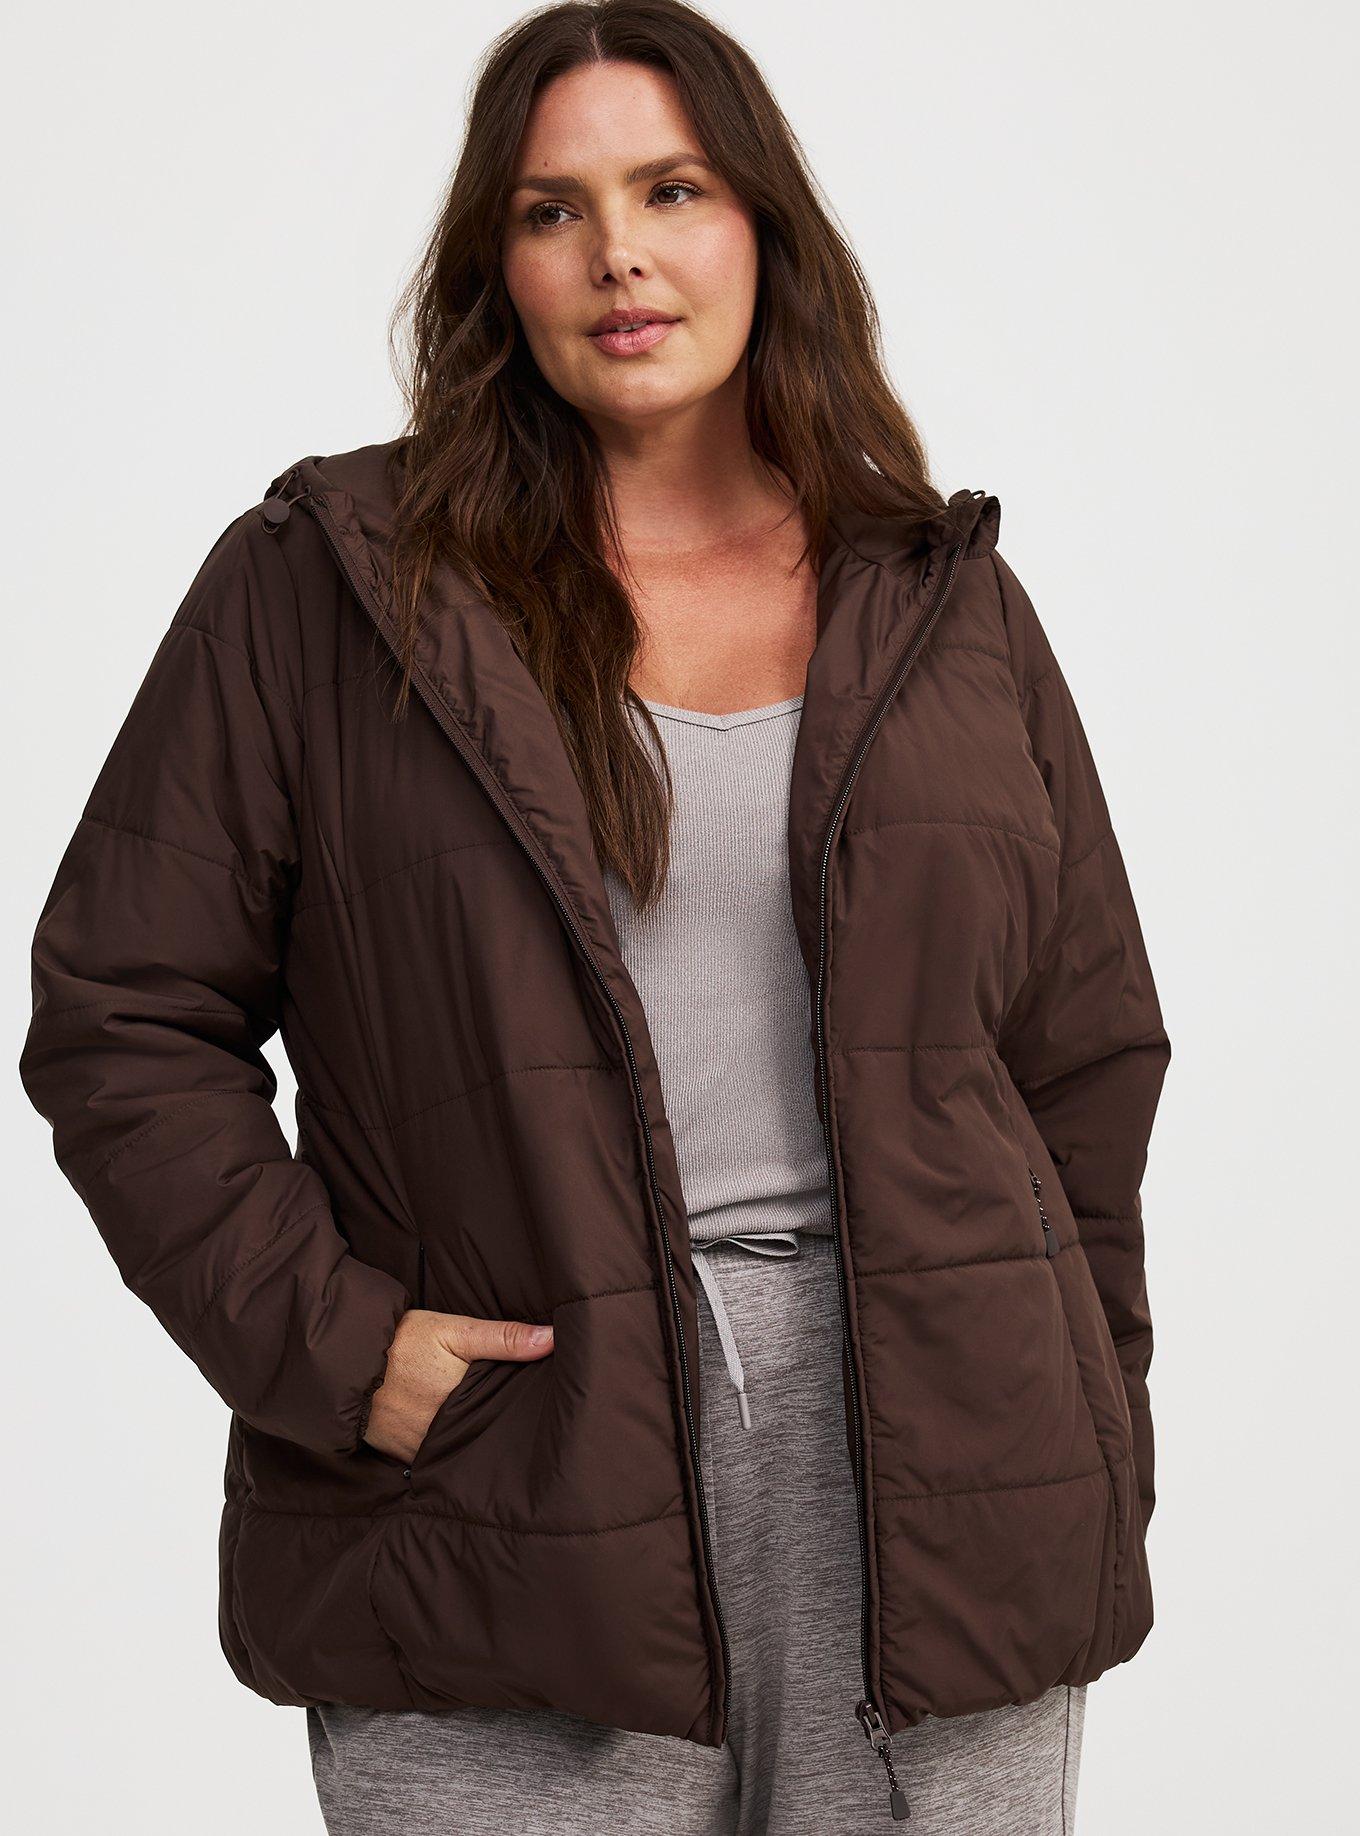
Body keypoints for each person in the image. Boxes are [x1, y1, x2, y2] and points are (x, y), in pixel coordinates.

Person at [18, 2, 1171, 1830]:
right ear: (498, 266)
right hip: (508, 1493)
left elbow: (1084, 1059)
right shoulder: (329, 590)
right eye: (553, 209)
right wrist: (341, 1354)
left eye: (673, 189)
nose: (619, 252)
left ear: (764, 226)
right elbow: (122, 1018)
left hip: (948, 1485)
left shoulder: (943, 603)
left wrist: (1084, 1427)